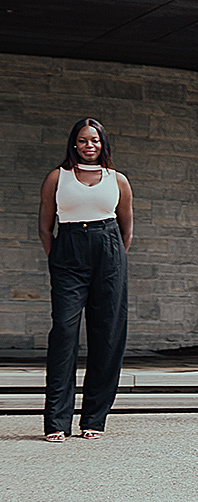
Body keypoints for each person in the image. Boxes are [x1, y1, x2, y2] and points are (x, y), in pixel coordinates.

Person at [37, 118, 134, 443]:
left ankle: (94, 418)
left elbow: (126, 229)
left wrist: (114, 258)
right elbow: (45, 226)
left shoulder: (117, 180)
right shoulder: (57, 177)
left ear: (102, 144)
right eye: (82, 140)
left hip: (108, 252)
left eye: (94, 140)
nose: (88, 146)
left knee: (107, 333)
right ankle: (56, 422)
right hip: (68, 253)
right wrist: (58, 259)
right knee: (64, 331)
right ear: (73, 143)